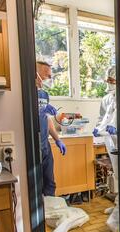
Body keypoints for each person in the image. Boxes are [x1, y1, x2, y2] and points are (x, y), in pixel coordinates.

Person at [93, 66, 119, 232]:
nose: (109, 83)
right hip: (110, 140)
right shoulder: (106, 99)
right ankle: (118, 202)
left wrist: (117, 128)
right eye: (107, 80)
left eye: (112, 80)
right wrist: (97, 128)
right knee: (117, 173)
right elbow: (102, 118)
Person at [36, 61, 67, 196]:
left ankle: (51, 212)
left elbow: (47, 118)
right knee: (35, 183)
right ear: (36, 74)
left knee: (50, 182)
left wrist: (57, 139)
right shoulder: (25, 92)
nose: (48, 78)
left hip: (45, 144)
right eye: (46, 75)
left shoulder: (44, 95)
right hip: (33, 144)